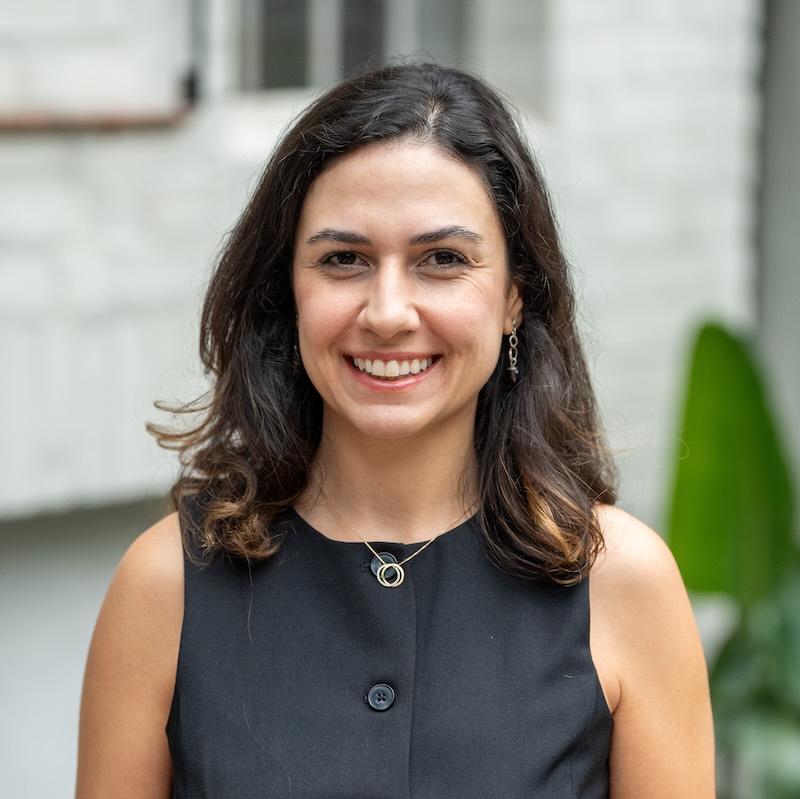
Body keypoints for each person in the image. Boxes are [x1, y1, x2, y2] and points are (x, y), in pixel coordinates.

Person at [76, 62, 715, 798]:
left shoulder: (625, 584)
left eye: (441, 260)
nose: (386, 311)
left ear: (514, 297)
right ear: (288, 288)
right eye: (343, 259)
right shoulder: (165, 589)